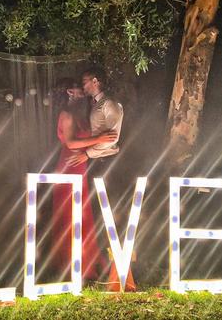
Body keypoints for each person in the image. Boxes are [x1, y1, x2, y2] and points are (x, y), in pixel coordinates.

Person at [67, 67, 135, 291]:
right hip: (98, 163)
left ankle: (123, 272)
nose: (83, 85)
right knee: (100, 215)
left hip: (110, 164)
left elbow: (111, 139)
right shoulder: (94, 104)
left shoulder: (110, 104)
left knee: (113, 215)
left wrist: (87, 153)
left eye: (85, 81)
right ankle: (107, 268)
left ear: (95, 81)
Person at [51, 78, 116, 283]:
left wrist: (103, 146)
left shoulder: (82, 116)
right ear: (70, 93)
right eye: (80, 91)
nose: (84, 94)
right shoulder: (67, 115)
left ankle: (86, 263)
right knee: (72, 216)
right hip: (69, 167)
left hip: (80, 166)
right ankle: (72, 266)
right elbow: (70, 142)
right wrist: (100, 139)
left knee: (83, 215)